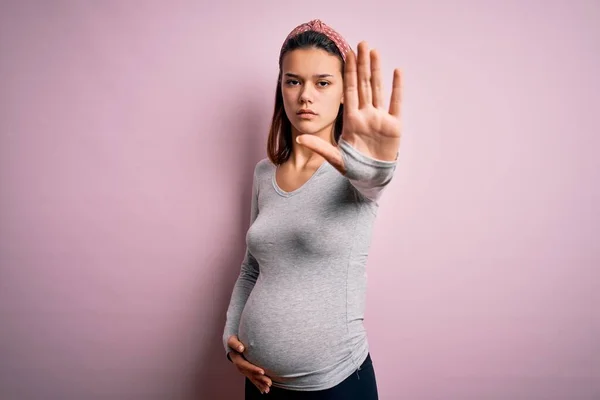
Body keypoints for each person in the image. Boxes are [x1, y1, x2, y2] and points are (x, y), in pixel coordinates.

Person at [222, 19, 402, 399]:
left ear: (343, 94)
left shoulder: (354, 176)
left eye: (322, 83)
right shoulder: (263, 173)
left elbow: (374, 181)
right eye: (293, 81)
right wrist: (230, 337)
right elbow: (251, 267)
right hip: (261, 384)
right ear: (281, 89)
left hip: (335, 387)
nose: (306, 95)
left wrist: (376, 166)